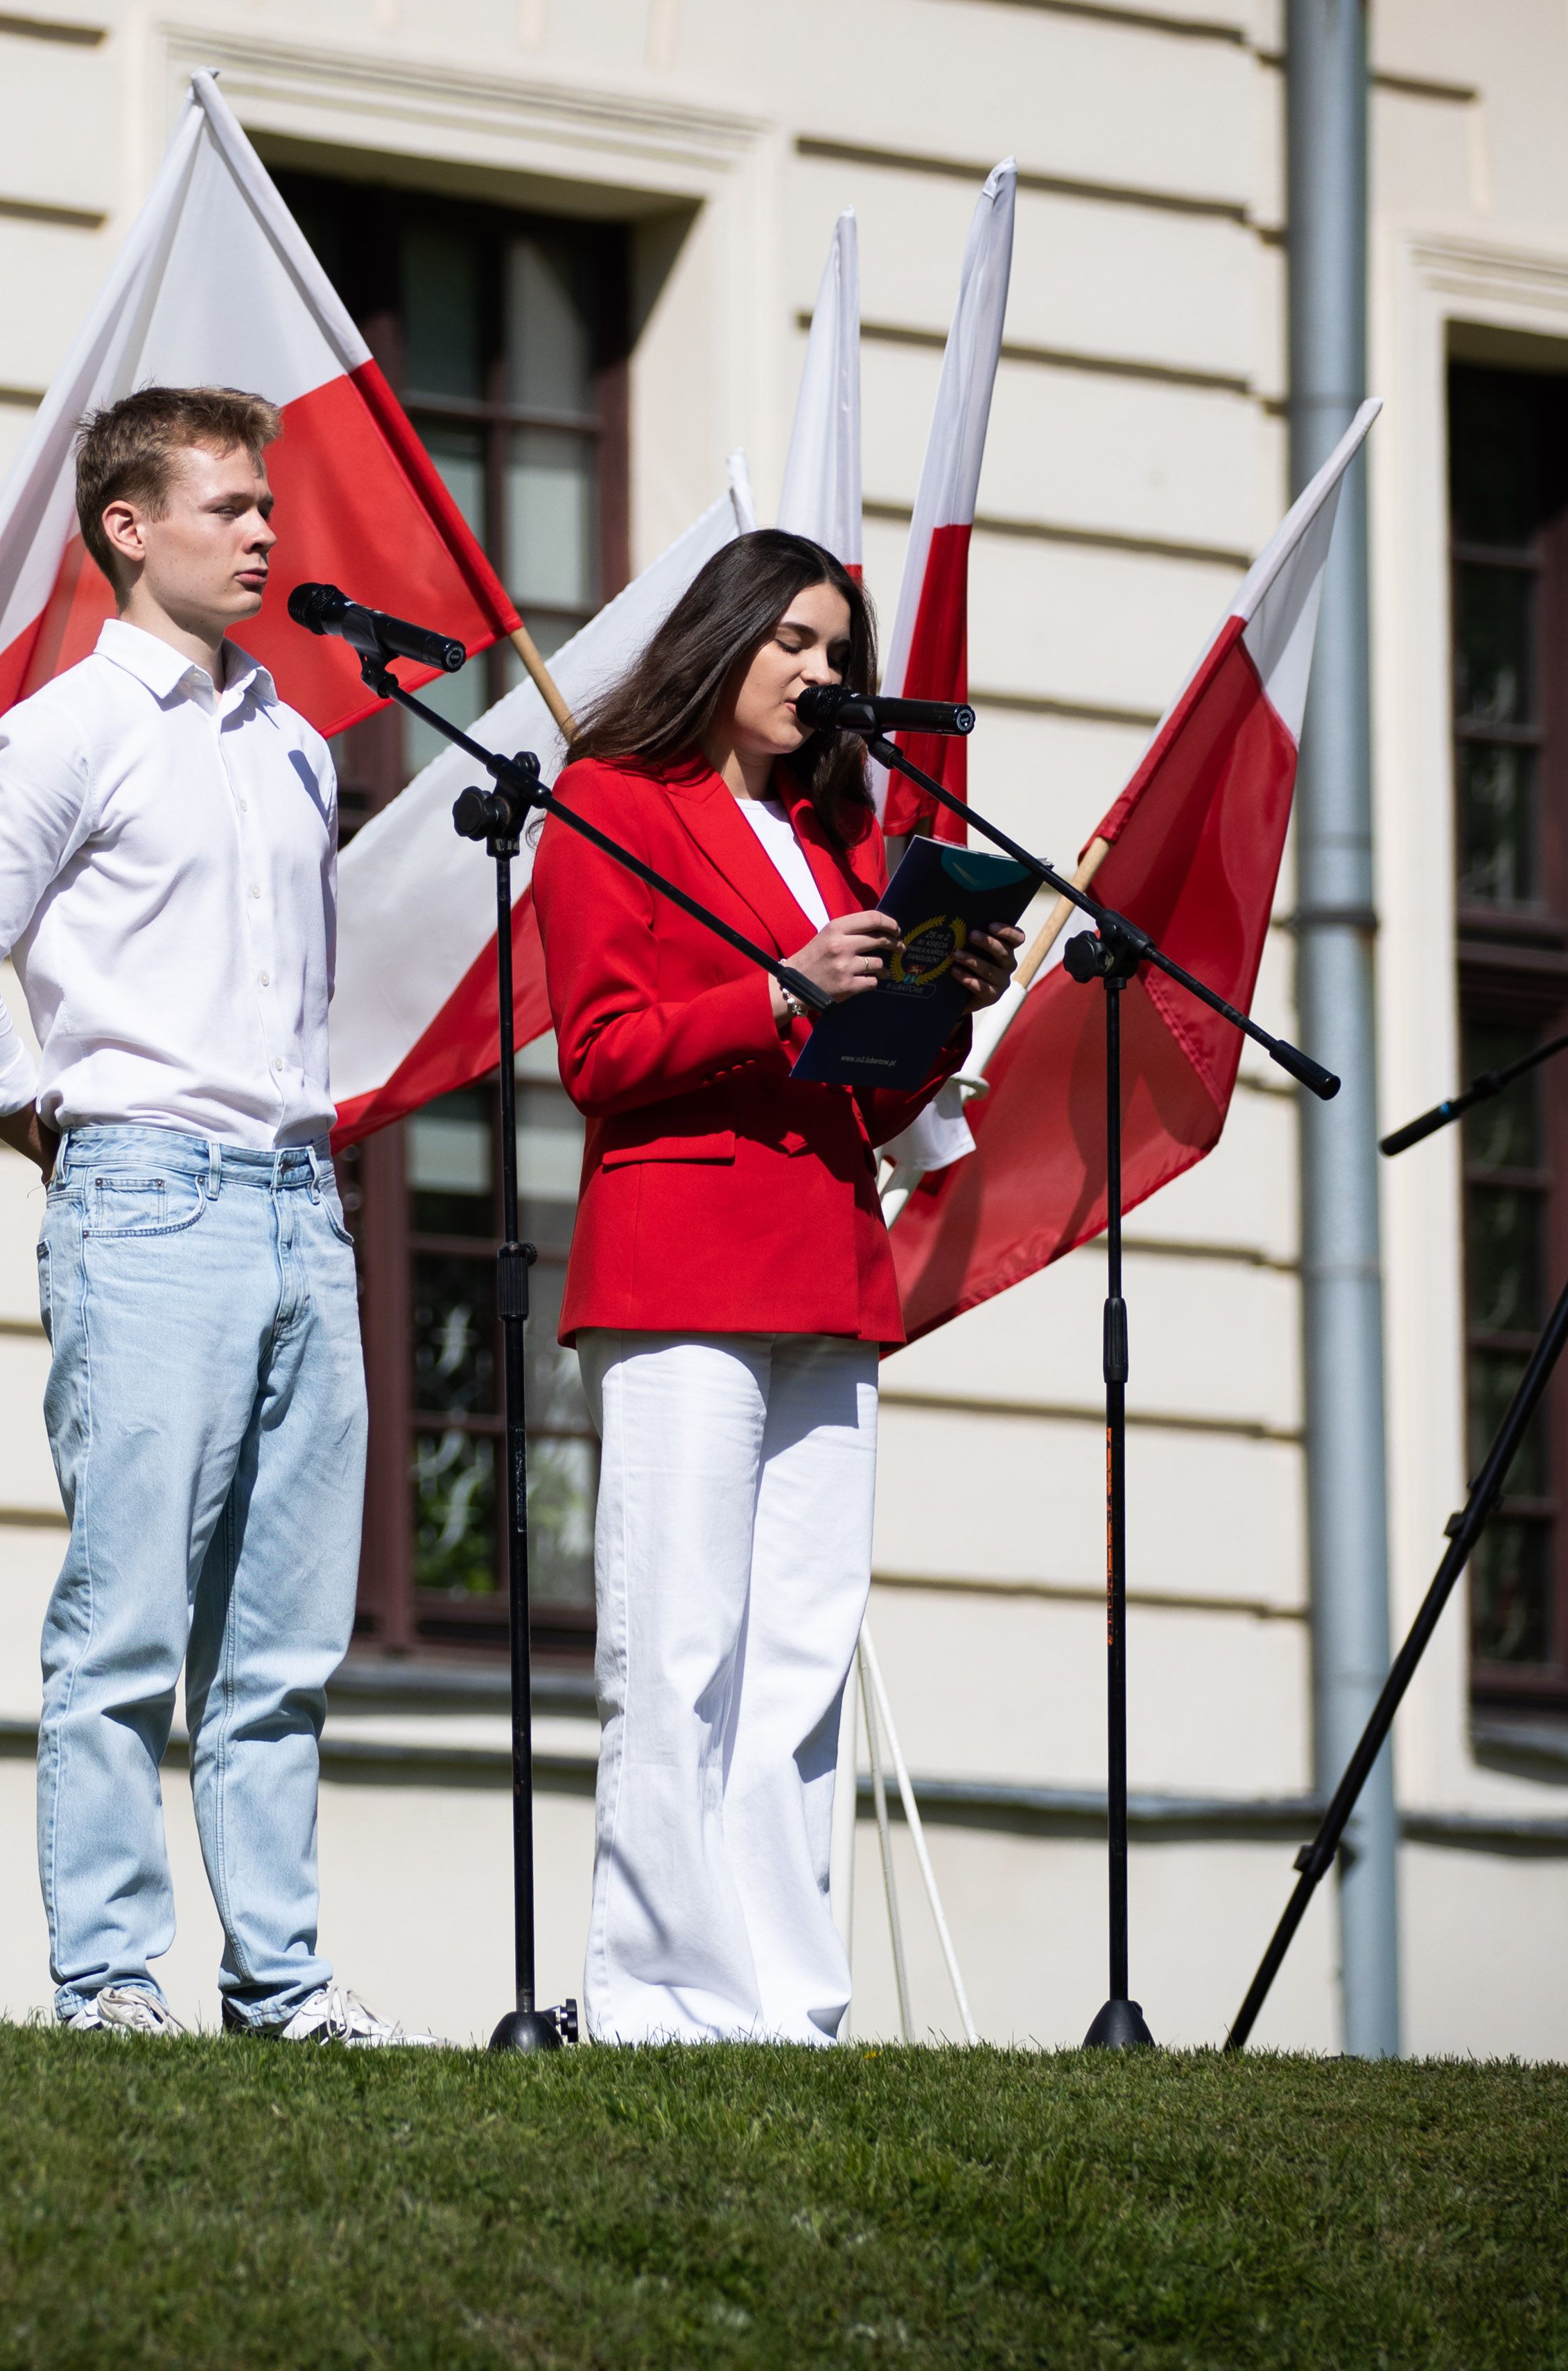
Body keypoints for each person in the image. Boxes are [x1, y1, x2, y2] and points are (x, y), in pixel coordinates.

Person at [0, 385, 426, 2046]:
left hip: (296, 1200)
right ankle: (110, 1980)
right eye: (227, 508)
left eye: (265, 508)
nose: (265, 532)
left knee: (280, 1642)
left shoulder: (291, 741)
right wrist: (44, 1117)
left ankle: (279, 1982)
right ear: (127, 527)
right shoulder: (65, 729)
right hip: (149, 1194)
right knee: (125, 1619)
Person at [531, 529, 1019, 2043]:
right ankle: (663, 1997)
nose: (820, 676)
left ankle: (786, 2000)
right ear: (721, 640)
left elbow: (869, 1102)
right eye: (793, 643)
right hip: (679, 1264)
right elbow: (598, 1053)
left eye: (837, 656)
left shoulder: (834, 848)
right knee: (675, 1646)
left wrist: (943, 1003)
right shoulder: (607, 806)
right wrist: (777, 988)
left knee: (798, 1658)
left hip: (823, 1261)